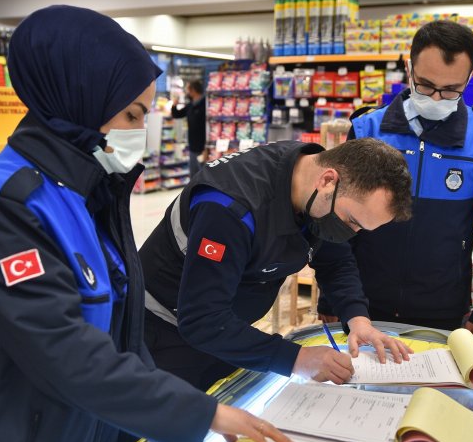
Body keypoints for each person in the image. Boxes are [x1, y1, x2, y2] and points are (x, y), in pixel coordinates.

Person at [0, 6, 293, 442]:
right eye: (132, 113)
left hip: (86, 441)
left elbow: (123, 336)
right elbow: (62, 351)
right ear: (80, 99)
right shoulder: (8, 208)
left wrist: (161, 419)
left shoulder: (85, 192)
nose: (138, 131)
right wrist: (199, 412)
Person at [140, 138, 414, 391]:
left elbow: (336, 261)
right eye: (352, 220)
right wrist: (297, 359)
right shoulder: (229, 208)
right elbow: (202, 319)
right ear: (328, 180)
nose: (352, 231)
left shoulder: (315, 186)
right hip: (163, 333)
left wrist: (358, 320)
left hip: (229, 328)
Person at [319, 21, 473, 337]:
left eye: (451, 89)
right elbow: (339, 223)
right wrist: (332, 298)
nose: (437, 98)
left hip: (442, 309)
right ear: (408, 68)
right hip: (362, 308)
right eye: (425, 84)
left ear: (470, 78)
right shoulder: (368, 129)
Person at [171, 79, 207, 177]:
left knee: (204, 176)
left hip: (203, 147)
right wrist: (174, 105)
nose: (186, 92)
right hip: (192, 147)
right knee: (194, 176)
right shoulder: (190, 105)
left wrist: (206, 147)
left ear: (193, 90)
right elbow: (177, 115)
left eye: (188, 90)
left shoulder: (205, 104)